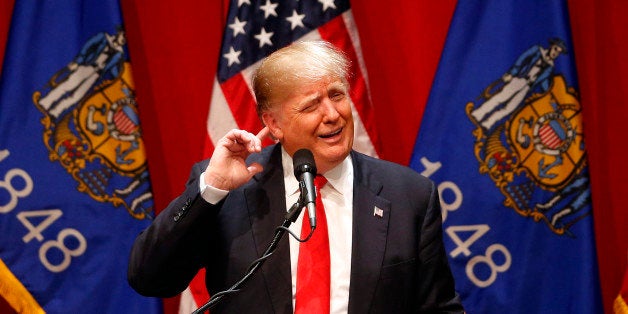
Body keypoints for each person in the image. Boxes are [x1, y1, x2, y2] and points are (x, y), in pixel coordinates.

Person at [127, 40, 464, 313]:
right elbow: (150, 278)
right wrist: (210, 190)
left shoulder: (409, 195)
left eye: (336, 95)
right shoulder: (229, 190)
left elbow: (438, 308)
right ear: (273, 124)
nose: (332, 115)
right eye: (311, 105)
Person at [470, 38, 567, 132]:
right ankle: (478, 114)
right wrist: (512, 73)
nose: (555, 53)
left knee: (509, 108)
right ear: (551, 46)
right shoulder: (537, 50)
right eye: (555, 49)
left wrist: (549, 94)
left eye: (558, 52)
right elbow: (522, 58)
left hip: (527, 88)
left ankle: (487, 124)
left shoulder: (550, 67)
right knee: (500, 98)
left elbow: (543, 82)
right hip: (520, 79)